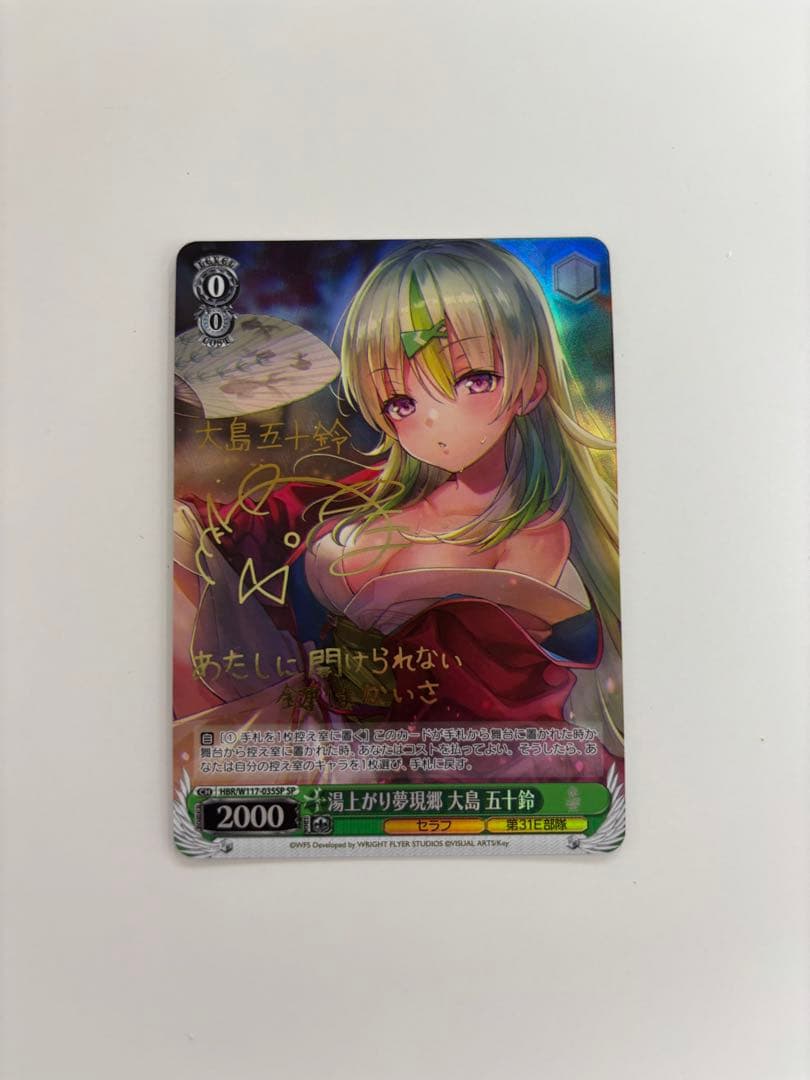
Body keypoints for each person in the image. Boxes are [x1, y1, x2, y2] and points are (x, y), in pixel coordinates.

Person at [174, 239, 623, 783]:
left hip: (437, 774)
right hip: (293, 747)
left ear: (531, 384)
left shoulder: (536, 543)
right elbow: (247, 528)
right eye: (400, 402)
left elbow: (489, 730)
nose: (433, 422)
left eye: (474, 380)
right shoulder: (363, 497)